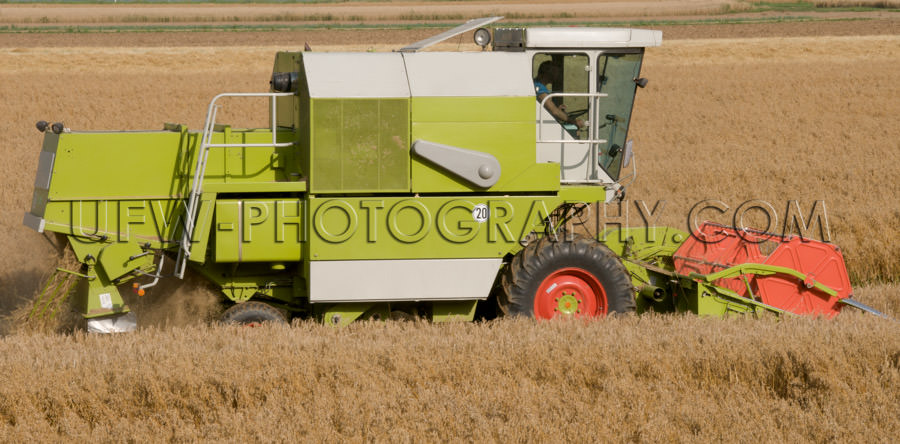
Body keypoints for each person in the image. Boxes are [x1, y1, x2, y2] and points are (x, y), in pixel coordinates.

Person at [534, 61, 585, 130]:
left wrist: (558, 109)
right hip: (540, 127)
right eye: (555, 72)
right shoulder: (539, 88)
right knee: (575, 130)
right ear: (548, 74)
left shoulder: (537, 84)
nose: (557, 75)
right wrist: (573, 121)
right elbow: (554, 111)